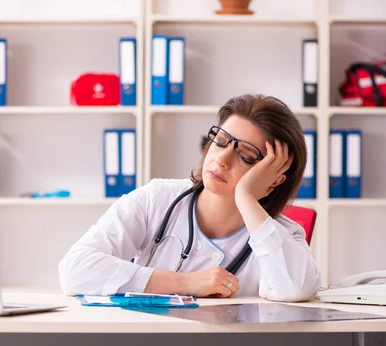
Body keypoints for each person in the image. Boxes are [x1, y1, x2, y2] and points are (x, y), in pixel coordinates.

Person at [58, 93, 321, 302]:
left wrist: (246, 197)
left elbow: (296, 288)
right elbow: (75, 269)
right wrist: (184, 283)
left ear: (274, 180)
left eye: (247, 155)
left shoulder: (281, 237)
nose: (222, 159)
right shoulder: (156, 199)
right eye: (221, 140)